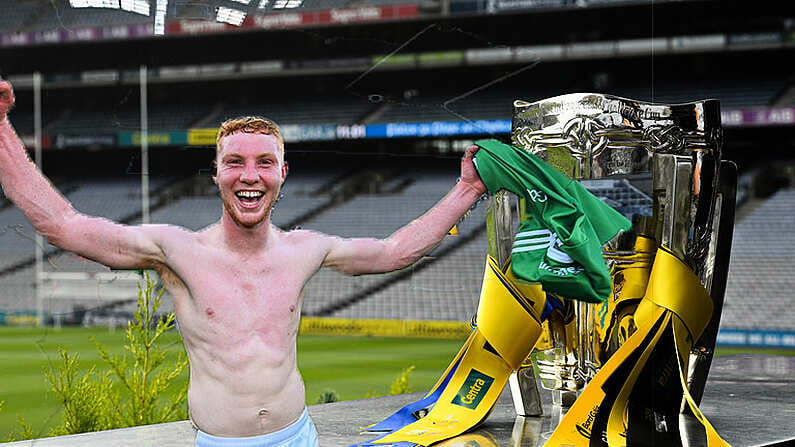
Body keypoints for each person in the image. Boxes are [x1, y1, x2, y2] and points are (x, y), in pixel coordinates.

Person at [0, 80, 487, 446]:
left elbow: (394, 252)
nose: (249, 175)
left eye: (264, 162)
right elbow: (62, 225)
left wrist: (466, 190)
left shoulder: (306, 249)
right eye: (234, 161)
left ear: (283, 173)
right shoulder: (177, 249)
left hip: (299, 437)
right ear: (215, 173)